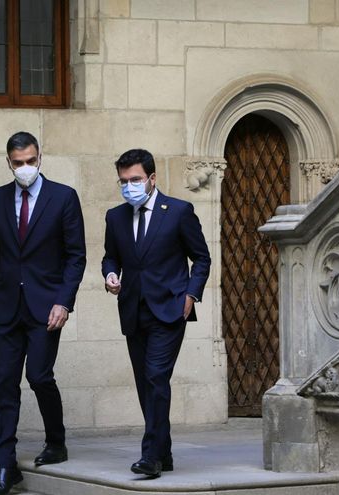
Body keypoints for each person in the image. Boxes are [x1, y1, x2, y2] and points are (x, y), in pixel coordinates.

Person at [0, 131, 86, 495]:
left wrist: (64, 301)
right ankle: (6, 468)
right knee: (5, 384)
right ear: (8, 162)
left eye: (30, 161)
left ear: (40, 157)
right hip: (8, 308)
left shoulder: (63, 198)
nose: (24, 168)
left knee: (39, 376)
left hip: (46, 308)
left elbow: (76, 256)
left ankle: (56, 441)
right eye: (17, 163)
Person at [101, 148, 211, 478]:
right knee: (144, 383)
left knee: (156, 377)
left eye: (134, 180)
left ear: (151, 178)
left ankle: (150, 456)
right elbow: (111, 257)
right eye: (123, 181)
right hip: (133, 310)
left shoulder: (178, 211)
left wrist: (191, 295)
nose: (128, 186)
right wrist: (109, 275)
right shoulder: (115, 217)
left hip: (170, 309)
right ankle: (164, 449)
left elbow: (201, 258)